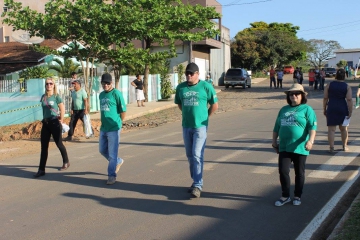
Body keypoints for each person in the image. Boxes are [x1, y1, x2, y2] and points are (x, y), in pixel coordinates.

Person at [174, 62, 218, 198]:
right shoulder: (181, 88)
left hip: (200, 127)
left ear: (198, 74)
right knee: (190, 155)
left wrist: (205, 118)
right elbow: (179, 104)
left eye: (191, 73)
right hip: (186, 126)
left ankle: (198, 184)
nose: (188, 75)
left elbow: (214, 105)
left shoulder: (206, 86)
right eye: (187, 73)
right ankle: (195, 181)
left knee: (197, 154)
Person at [272, 83, 317, 206]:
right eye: (291, 94)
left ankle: (297, 196)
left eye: (297, 94)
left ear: (302, 96)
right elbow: (277, 126)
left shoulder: (307, 109)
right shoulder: (284, 109)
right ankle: (285, 196)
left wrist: (310, 141)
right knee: (283, 170)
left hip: (300, 146)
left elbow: (312, 127)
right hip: (285, 146)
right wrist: (274, 141)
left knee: (299, 172)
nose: (294, 96)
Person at [34, 77, 70, 178]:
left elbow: (62, 109)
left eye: (51, 84)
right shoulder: (43, 97)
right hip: (45, 123)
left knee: (59, 143)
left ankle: (66, 161)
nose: (49, 85)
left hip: (54, 122)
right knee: (44, 147)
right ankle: (41, 169)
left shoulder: (56, 96)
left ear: (54, 85)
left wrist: (61, 120)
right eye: (47, 84)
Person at [99, 73, 127, 185]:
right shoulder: (101, 95)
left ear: (111, 83)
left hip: (114, 128)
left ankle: (111, 176)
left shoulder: (116, 94)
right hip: (103, 128)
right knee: (102, 150)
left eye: (108, 83)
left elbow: (123, 111)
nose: (105, 85)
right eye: (103, 83)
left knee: (112, 154)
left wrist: (119, 123)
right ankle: (118, 161)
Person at [323, 68, 353, 153]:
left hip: (331, 107)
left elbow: (325, 98)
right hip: (342, 108)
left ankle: (331, 147)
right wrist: (350, 111)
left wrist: (324, 108)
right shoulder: (347, 86)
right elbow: (349, 99)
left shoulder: (329, 85)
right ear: (344, 76)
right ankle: (344, 146)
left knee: (331, 130)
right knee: (343, 129)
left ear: (336, 75)